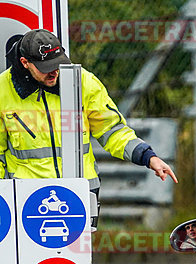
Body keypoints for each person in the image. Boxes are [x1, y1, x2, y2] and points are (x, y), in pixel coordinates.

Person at [0, 29, 177, 225]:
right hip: (26, 196)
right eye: (45, 67)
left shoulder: (83, 81)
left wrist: (148, 157)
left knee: (77, 256)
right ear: (25, 63)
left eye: (57, 64)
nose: (54, 72)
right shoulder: (3, 91)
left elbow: (112, 130)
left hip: (81, 193)